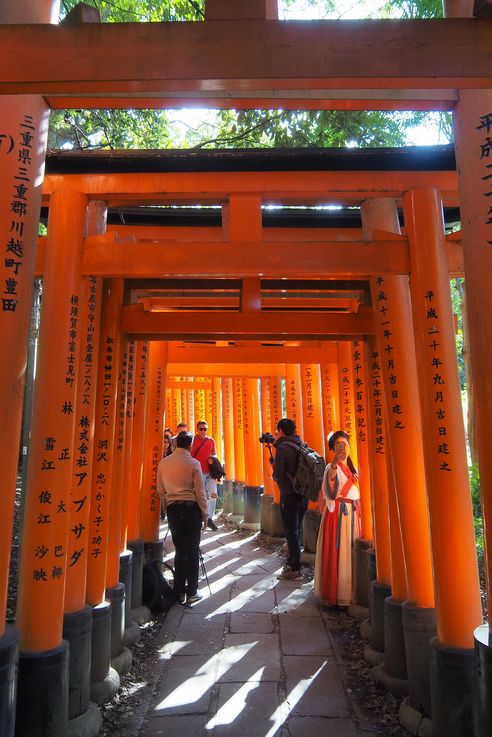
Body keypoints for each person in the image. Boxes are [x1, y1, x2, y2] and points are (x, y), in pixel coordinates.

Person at [156, 430, 209, 605]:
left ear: (175, 443)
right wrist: (205, 514)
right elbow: (200, 492)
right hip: (191, 510)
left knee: (180, 550)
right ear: (190, 444)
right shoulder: (193, 463)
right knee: (193, 550)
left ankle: (179, 591)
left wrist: (166, 508)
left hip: (173, 510)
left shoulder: (164, 463)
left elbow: (160, 490)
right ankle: (192, 591)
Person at [314, 430, 361, 607]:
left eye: (345, 445)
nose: (343, 449)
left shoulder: (352, 467)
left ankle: (350, 592)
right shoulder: (331, 467)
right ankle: (337, 593)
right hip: (339, 514)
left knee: (350, 553)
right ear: (333, 448)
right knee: (339, 554)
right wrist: (334, 463)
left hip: (352, 512)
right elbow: (331, 484)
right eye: (339, 445)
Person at [271, 417, 307, 581]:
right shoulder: (301, 444)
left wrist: (274, 468)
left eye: (278, 430)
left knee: (290, 531)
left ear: (282, 431)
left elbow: (278, 474)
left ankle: (295, 568)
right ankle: (295, 562)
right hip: (303, 494)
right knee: (297, 529)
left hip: (289, 494)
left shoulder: (283, 448)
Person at [191, 420, 218, 531]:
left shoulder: (211, 441)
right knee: (201, 496)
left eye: (205, 429)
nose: (203, 431)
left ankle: (210, 519)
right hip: (198, 472)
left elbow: (214, 454)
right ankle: (202, 518)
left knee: (213, 494)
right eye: (201, 429)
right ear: (197, 429)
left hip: (210, 472)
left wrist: (213, 460)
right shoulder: (192, 441)